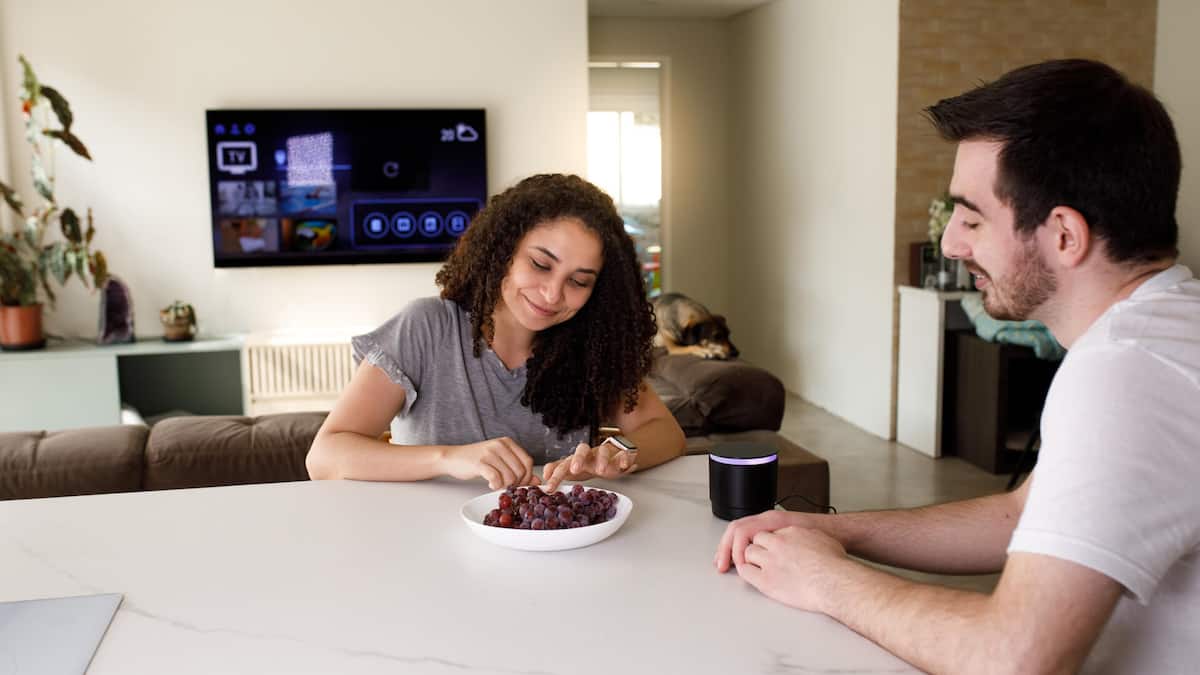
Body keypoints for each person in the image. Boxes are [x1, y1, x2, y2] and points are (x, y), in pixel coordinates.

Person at [714, 59, 1199, 674]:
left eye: (972, 218)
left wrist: (827, 581)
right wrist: (837, 532)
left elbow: (1014, 659)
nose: (950, 244)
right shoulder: (1169, 328)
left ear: (1065, 236)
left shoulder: (1127, 374)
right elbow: (1022, 514)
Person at [307, 173, 685, 492]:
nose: (553, 294)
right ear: (504, 251)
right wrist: (451, 457)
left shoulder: (590, 346)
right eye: (540, 264)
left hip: (552, 551)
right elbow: (324, 458)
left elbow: (666, 433)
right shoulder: (426, 327)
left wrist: (616, 451)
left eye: (579, 281)